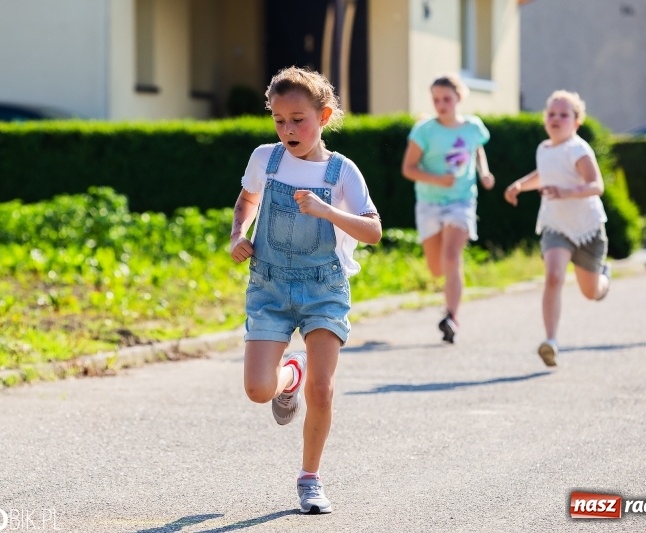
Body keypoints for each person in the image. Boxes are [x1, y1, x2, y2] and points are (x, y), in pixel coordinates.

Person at [229, 66, 382, 514]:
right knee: (258, 390)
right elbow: (246, 202)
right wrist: (239, 235)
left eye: (298, 119)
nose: (288, 129)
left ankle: (310, 479)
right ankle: (287, 377)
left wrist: (327, 211)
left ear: (325, 114)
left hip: (323, 288)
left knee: (323, 388)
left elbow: (373, 230)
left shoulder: (341, 172)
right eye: (279, 120)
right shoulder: (266, 160)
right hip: (270, 286)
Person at [503, 90, 611, 367]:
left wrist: (566, 191)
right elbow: (544, 174)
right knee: (553, 277)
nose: (556, 119)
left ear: (576, 122)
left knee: (591, 292)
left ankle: (603, 278)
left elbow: (596, 186)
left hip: (587, 228)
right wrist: (520, 185)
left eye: (564, 115)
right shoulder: (543, 148)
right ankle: (550, 341)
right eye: (551, 114)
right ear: (545, 119)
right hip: (555, 226)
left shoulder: (578, 149)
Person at [401, 74, 495, 343]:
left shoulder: (474, 126)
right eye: (436, 100)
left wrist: (484, 173)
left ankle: (451, 317)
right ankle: (449, 298)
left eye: (447, 99)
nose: (441, 104)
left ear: (459, 98)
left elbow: (477, 149)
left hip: (462, 200)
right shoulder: (424, 131)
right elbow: (408, 169)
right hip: (430, 202)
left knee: (452, 257)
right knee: (436, 267)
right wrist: (438, 179)